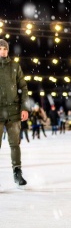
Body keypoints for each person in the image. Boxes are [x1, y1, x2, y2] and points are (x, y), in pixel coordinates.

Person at [0, 39, 30, 186]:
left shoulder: (15, 67)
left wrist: (24, 108)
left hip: (13, 111)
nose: (3, 51)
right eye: (0, 49)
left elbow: (23, 88)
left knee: (15, 144)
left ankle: (17, 173)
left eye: (5, 49)